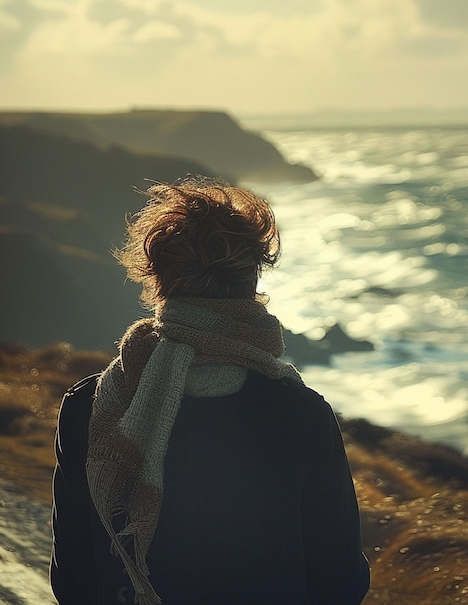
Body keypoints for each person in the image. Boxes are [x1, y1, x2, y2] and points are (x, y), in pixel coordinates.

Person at [50, 175, 370, 605]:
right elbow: (340, 577)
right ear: (252, 279)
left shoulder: (91, 405)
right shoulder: (299, 411)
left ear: (157, 278)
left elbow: (73, 573)